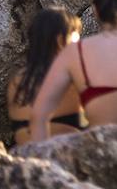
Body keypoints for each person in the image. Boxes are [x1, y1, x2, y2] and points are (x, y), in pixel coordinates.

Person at [30, 0, 117, 141]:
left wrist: (41, 160)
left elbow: (39, 114)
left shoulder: (75, 53)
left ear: (95, 11)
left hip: (101, 151)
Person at [8, 8, 85, 145]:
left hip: (27, 159)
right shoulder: (72, 78)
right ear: (61, 40)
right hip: (65, 158)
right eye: (76, 34)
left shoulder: (17, 81)